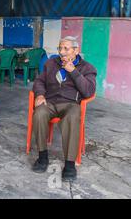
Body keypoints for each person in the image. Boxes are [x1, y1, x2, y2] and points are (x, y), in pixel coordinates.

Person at [31, 36, 96, 182]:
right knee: (39, 113)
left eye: (66, 49)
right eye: (60, 48)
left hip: (71, 104)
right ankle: (42, 156)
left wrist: (73, 71)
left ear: (76, 50)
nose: (62, 52)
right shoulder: (50, 63)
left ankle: (69, 164)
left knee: (73, 117)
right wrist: (40, 95)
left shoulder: (87, 68)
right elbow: (39, 81)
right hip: (51, 102)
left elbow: (89, 91)